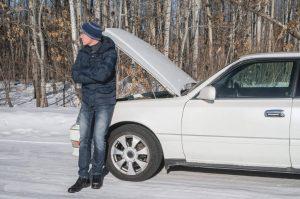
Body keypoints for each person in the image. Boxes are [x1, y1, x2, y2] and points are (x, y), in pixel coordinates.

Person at [68, 21, 117, 193]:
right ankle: (83, 177)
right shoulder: (83, 52)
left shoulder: (110, 51)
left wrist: (85, 73)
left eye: (82, 34)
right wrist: (90, 74)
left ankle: (96, 173)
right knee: (84, 141)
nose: (80, 36)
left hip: (104, 101)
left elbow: (103, 75)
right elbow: (75, 74)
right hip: (87, 102)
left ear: (92, 37)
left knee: (98, 139)